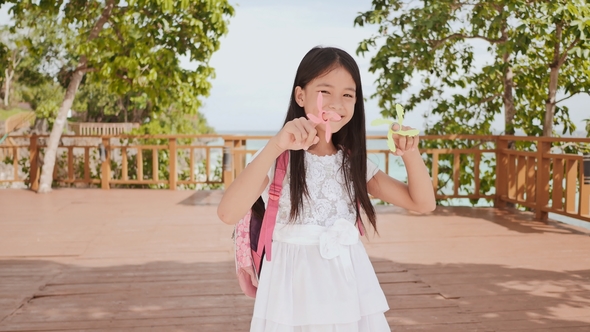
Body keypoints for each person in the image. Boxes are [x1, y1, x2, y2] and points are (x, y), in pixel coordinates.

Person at [218, 46, 436, 332]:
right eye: (325, 91)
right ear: (300, 96)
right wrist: (276, 145)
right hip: (291, 289)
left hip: (348, 285)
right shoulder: (278, 158)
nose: (336, 103)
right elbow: (228, 212)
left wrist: (410, 152)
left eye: (348, 94)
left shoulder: (353, 163)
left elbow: (422, 203)